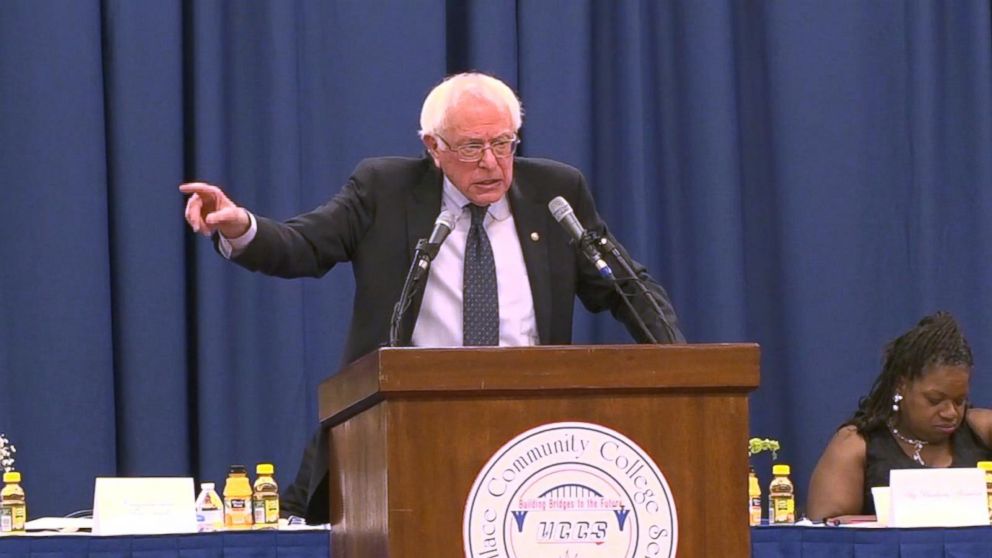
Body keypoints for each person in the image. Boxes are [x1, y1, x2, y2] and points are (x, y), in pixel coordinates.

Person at [180, 72, 684, 522]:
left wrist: (685, 370)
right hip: (408, 430)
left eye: (504, 144)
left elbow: (624, 285)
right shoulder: (384, 189)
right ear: (432, 146)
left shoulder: (556, 191)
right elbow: (304, 246)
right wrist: (242, 227)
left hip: (534, 436)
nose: (491, 163)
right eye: (470, 147)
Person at [806, 311, 992, 521]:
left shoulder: (982, 430)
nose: (950, 413)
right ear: (901, 385)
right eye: (935, 400)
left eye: (960, 401)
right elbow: (824, 531)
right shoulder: (857, 445)